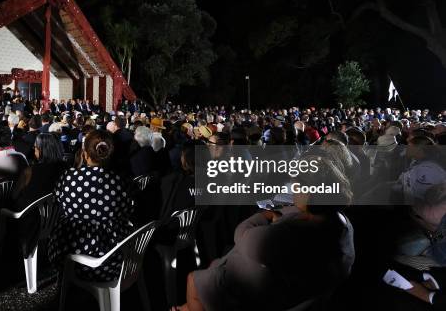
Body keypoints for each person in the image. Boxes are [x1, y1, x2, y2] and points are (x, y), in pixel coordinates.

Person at [175, 155, 355, 311]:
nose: (293, 194)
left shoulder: (290, 235)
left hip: (258, 297)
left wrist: (264, 215)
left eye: (296, 188)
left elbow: (242, 234)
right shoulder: (340, 223)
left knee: (193, 280)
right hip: (282, 288)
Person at [48, 129, 133, 281]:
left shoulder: (69, 177)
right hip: (112, 259)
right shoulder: (120, 181)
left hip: (68, 255)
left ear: (85, 154)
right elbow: (127, 210)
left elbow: (57, 202)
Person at [12, 133, 66, 210]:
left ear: (41, 150)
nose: (34, 150)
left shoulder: (30, 171)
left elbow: (14, 196)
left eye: (35, 147)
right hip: (56, 215)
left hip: (30, 216)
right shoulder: (67, 168)